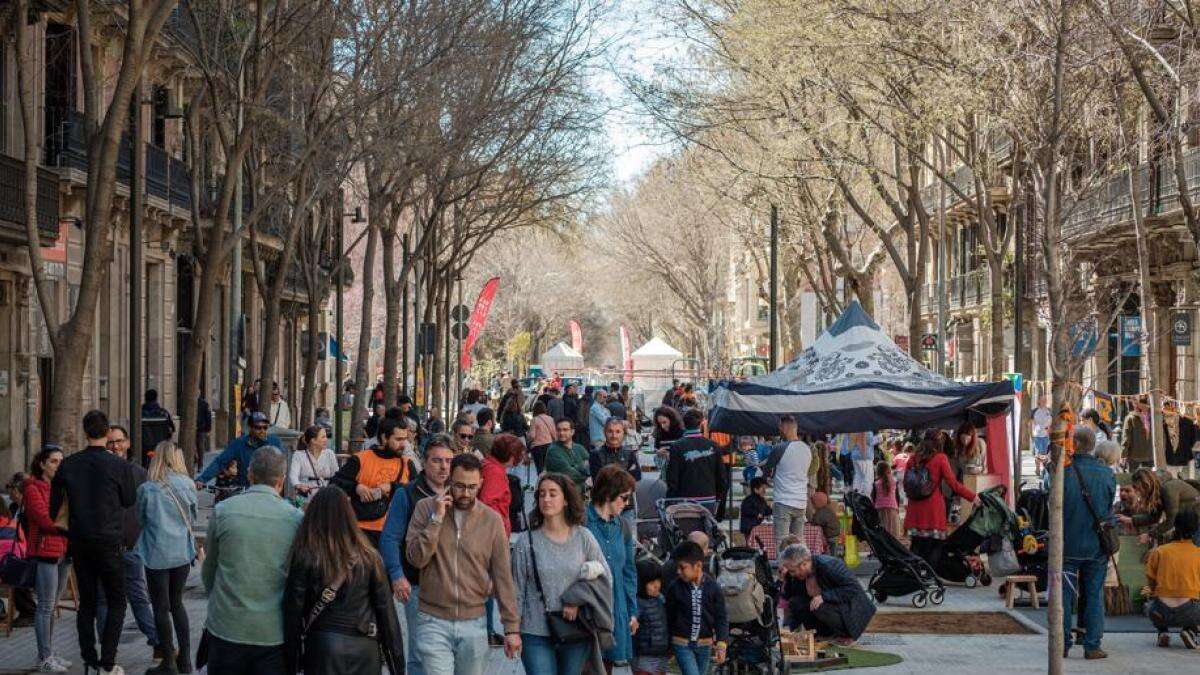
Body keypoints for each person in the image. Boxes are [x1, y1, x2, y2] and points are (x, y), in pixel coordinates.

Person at [406, 453, 521, 673]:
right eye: (459, 486)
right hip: (432, 620)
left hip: (474, 622)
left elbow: (503, 576)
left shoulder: (491, 519)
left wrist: (511, 628)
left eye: (472, 487)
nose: (465, 493)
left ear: (481, 484)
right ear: (449, 481)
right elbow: (416, 559)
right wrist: (436, 520)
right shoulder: (425, 508)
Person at [51, 410, 138, 675]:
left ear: (85, 432)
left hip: (79, 542)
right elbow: (129, 500)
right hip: (109, 541)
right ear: (106, 434)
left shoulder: (69, 464)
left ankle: (89, 657)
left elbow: (55, 506)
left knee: (87, 603)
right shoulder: (118, 465)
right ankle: (108, 661)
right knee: (117, 601)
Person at [202, 447, 304, 675]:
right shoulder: (295, 519)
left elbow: (210, 569)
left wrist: (218, 601)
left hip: (227, 626)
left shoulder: (223, 511)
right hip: (272, 631)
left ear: (249, 475)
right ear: (282, 480)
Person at [283, 488, 404, 674]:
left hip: (322, 647)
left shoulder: (307, 555)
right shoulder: (369, 557)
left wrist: (291, 661)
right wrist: (397, 665)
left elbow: (293, 612)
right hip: (365, 647)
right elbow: (387, 615)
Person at [510, 473, 611, 675]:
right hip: (534, 632)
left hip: (575, 629)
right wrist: (512, 631)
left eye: (553, 494)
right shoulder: (525, 541)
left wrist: (576, 599)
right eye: (541, 494)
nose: (546, 499)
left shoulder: (583, 537)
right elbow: (516, 590)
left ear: (566, 499)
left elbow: (605, 576)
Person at [380, 435, 455, 675]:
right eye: (437, 461)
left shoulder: (461, 491)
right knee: (420, 652)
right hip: (417, 584)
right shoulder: (408, 494)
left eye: (448, 461)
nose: (444, 467)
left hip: (455, 583)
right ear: (423, 462)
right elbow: (390, 537)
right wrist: (396, 575)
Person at [95, 425, 160, 659]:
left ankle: (159, 643)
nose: (115, 446)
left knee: (139, 597)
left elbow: (147, 510)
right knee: (104, 599)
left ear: (128, 443)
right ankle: (107, 648)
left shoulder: (139, 473)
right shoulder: (97, 473)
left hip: (131, 548)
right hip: (105, 549)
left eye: (119, 441)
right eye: (110, 442)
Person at [135, 441, 199, 675]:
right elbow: (192, 518)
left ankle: (169, 661)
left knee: (160, 607)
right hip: (181, 552)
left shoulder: (147, 489)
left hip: (156, 553)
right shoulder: (188, 485)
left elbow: (141, 519)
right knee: (177, 603)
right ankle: (186, 661)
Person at [1059, 425, 1115, 660]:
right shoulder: (1107, 474)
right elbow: (1108, 508)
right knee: (1093, 595)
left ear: (1076, 444)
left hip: (1068, 545)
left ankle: (1061, 644)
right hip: (1095, 546)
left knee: (1064, 597)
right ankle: (1092, 645)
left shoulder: (1064, 472)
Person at [331, 416, 417, 547]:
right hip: (362, 534)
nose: (403, 444)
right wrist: (357, 488)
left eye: (405, 439)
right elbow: (334, 485)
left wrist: (392, 487)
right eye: (398, 439)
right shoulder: (360, 459)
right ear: (384, 438)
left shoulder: (407, 464)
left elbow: (416, 493)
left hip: (396, 535)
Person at [23, 446, 72, 672]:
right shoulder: (33, 488)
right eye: (53, 461)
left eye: (61, 461)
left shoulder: (63, 487)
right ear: (42, 464)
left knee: (52, 606)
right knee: (44, 606)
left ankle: (49, 652)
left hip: (64, 551)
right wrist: (69, 529)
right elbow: (44, 519)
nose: (58, 465)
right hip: (46, 552)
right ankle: (44, 657)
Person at [585, 464, 639, 669]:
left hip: (615, 608)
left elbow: (629, 571)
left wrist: (632, 611)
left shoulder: (623, 525)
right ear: (608, 494)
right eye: (624, 497)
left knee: (608, 665)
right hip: (587, 609)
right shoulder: (582, 522)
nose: (626, 503)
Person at [903, 433, 979, 570]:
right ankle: (931, 575)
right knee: (935, 548)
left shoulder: (913, 459)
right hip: (933, 512)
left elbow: (906, 484)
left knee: (917, 546)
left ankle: (914, 575)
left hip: (914, 511)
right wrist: (973, 497)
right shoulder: (940, 458)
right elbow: (954, 484)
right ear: (938, 443)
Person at [779, 543, 875, 643]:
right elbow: (791, 602)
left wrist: (824, 597)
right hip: (830, 607)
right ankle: (823, 634)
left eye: (792, 571)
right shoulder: (794, 576)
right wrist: (788, 628)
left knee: (818, 605)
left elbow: (853, 588)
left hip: (852, 610)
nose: (791, 574)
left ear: (804, 564)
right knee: (797, 602)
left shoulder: (829, 565)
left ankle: (846, 635)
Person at [663, 541, 728, 675]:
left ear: (698, 565)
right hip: (681, 643)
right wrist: (668, 645)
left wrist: (721, 644)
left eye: (683, 567)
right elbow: (668, 616)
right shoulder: (675, 588)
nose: (678, 571)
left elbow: (721, 617)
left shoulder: (714, 588)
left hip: (705, 644)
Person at [1144, 509, 1200, 649]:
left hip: (1160, 611)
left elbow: (1151, 582)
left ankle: (1163, 632)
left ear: (1175, 526)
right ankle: (1190, 630)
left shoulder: (1159, 551)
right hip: (1191, 612)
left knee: (1149, 604)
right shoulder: (1198, 553)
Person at [761, 415, 814, 544]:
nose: (779, 430)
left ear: (785, 428)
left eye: (780, 427)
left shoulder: (780, 448)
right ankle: (801, 563)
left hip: (783, 501)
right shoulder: (807, 450)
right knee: (798, 541)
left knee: (782, 542)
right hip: (801, 501)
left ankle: (784, 564)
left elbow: (766, 473)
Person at [196, 411, 284, 489]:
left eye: (265, 428)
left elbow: (282, 464)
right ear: (250, 428)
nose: (262, 431)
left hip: (268, 490)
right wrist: (202, 479)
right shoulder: (239, 444)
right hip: (246, 489)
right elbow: (220, 462)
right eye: (258, 428)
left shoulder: (275, 442)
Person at [1117, 468, 1200, 546]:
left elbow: (1171, 520)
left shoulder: (1168, 490)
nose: (1138, 492)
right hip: (1189, 522)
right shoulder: (1158, 491)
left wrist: (1149, 535)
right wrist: (1130, 520)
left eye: (1138, 489)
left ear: (1146, 485)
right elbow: (1154, 517)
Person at [664, 409, 726, 511]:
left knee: (687, 526)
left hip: (685, 500)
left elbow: (672, 478)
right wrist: (719, 498)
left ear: (683, 424)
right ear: (701, 423)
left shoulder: (677, 446)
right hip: (709, 498)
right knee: (707, 526)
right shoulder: (713, 446)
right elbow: (721, 476)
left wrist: (670, 501)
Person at [633, 560, 670, 675]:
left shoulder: (661, 599)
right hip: (644, 655)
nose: (656, 585)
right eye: (651, 582)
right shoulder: (636, 603)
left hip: (662, 653)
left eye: (658, 580)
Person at [287, 425, 339, 497]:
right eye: (323, 437)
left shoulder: (329, 453)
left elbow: (336, 475)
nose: (326, 439)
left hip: (326, 498)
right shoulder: (298, 455)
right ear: (313, 440)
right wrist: (298, 485)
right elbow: (293, 475)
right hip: (307, 498)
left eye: (326, 436)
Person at [589, 417, 642, 482]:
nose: (614, 436)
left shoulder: (630, 453)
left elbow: (637, 476)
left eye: (618, 432)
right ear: (604, 432)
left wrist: (609, 475)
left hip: (626, 491)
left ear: (623, 433)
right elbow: (598, 481)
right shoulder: (595, 454)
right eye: (610, 431)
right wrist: (626, 473)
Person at [546, 418, 591, 493]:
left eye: (565, 430)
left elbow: (592, 467)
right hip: (562, 495)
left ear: (572, 432)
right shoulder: (553, 451)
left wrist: (575, 468)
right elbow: (569, 475)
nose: (561, 433)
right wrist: (584, 472)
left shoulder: (579, 448)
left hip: (580, 496)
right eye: (559, 430)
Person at [1121, 395, 1154, 470]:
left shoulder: (1130, 418)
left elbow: (1126, 438)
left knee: (1132, 478)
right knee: (1148, 478)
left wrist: (1123, 455)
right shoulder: (1153, 417)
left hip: (1135, 455)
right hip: (1149, 454)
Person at [872, 461, 901, 538]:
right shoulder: (894, 481)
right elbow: (897, 497)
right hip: (892, 508)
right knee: (893, 531)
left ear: (877, 471)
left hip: (880, 509)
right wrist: (897, 507)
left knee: (883, 529)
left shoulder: (875, 483)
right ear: (889, 470)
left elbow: (873, 498)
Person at [528, 401, 556, 472]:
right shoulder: (550, 419)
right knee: (548, 468)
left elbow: (532, 436)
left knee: (540, 469)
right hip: (549, 445)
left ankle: (541, 480)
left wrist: (528, 442)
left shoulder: (534, 420)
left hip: (537, 447)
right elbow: (554, 434)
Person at [196, 393, 213, 467]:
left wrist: (208, 429)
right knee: (200, 446)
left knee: (198, 446)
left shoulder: (204, 404)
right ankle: (200, 464)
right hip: (201, 428)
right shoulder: (205, 404)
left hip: (199, 428)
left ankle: (198, 462)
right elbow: (208, 417)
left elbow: (208, 417)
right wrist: (208, 429)